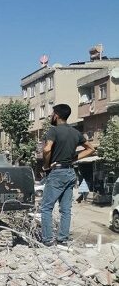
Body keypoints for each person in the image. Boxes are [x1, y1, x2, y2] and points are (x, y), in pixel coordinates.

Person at [40, 104, 95, 246]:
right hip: (71, 172)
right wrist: (74, 159)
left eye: (52, 113)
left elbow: (47, 149)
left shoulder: (53, 131)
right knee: (65, 210)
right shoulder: (75, 132)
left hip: (57, 172)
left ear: (56, 115)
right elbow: (91, 149)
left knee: (46, 208)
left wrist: (46, 165)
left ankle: (47, 240)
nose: (51, 116)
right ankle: (62, 239)